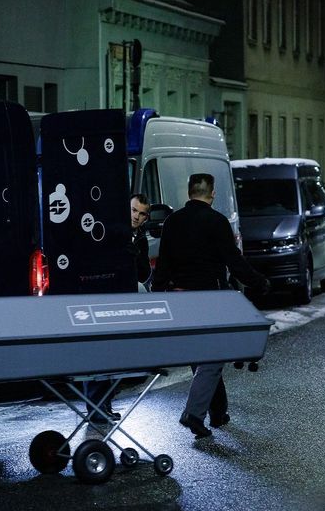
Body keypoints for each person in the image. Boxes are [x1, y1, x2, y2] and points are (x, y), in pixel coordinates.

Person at [151, 173, 269, 439]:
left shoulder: (172, 221)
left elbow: (163, 263)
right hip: (209, 300)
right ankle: (194, 413)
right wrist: (259, 282)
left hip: (180, 298)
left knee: (201, 359)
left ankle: (218, 412)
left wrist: (157, 295)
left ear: (189, 192)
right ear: (212, 193)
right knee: (213, 358)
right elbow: (234, 262)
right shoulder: (217, 221)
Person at [85, 193, 151, 424]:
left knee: (115, 357)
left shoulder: (140, 238)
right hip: (105, 300)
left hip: (125, 301)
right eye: (134, 210)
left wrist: (136, 257)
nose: (137, 216)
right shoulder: (110, 232)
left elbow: (143, 273)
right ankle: (96, 408)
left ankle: (104, 405)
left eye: (142, 214)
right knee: (101, 354)